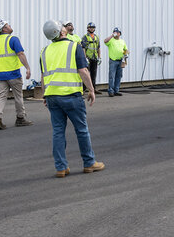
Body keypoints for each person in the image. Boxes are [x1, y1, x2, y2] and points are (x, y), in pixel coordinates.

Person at [40, 20, 105, 178]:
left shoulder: (44, 51)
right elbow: (83, 70)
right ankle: (89, 163)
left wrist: (45, 94)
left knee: (58, 132)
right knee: (82, 130)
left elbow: (43, 76)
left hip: (52, 97)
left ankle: (61, 167)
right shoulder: (73, 46)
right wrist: (91, 89)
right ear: (61, 32)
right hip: (70, 95)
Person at [0, 19, 33, 129]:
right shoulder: (13, 39)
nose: (10, 26)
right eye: (7, 25)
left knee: (2, 96)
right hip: (13, 73)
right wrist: (27, 68)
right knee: (18, 96)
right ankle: (20, 118)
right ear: (4, 28)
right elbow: (20, 54)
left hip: (0, 73)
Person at [104, 27, 128, 96]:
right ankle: (111, 91)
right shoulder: (111, 40)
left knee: (119, 76)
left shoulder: (122, 41)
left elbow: (125, 50)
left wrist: (125, 59)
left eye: (117, 32)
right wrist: (112, 36)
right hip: (113, 61)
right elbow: (105, 41)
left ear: (120, 33)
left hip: (120, 60)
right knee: (112, 76)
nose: (116, 33)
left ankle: (116, 90)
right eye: (114, 32)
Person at [81, 22, 103, 94]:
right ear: (88, 28)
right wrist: (85, 58)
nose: (92, 29)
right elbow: (83, 48)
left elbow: (98, 48)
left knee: (94, 74)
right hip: (88, 58)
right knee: (86, 74)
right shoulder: (85, 37)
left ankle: (93, 89)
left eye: (93, 27)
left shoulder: (96, 37)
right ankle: (83, 90)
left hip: (94, 58)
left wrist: (99, 57)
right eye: (90, 27)